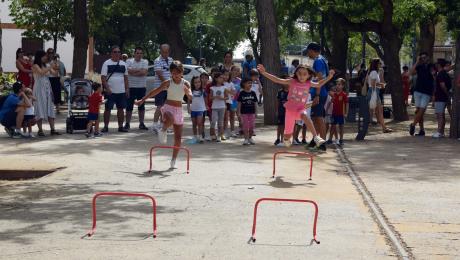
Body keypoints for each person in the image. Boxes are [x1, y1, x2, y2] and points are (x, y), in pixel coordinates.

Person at [257, 64, 334, 148]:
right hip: (290, 111)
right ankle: (286, 139)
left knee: (305, 116)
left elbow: (319, 84)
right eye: (299, 73)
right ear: (296, 73)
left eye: (304, 74)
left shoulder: (309, 83)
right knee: (288, 135)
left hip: (300, 109)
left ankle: (316, 137)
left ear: (309, 75)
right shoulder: (292, 81)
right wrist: (264, 73)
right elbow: (277, 80)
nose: (301, 76)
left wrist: (329, 77)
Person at [135, 61, 192, 168]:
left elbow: (190, 94)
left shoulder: (185, 83)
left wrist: (189, 94)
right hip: (168, 107)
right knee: (169, 119)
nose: (175, 75)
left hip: (179, 110)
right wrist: (142, 100)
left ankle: (173, 160)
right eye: (173, 73)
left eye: (177, 73)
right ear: (170, 72)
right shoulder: (167, 82)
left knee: (178, 138)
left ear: (181, 72)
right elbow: (154, 91)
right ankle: (163, 129)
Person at [304, 42, 329, 151]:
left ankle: (322, 143)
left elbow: (319, 79)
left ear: (312, 50)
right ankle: (316, 140)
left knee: (318, 118)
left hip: (319, 93)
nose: (307, 53)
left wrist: (317, 94)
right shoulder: (322, 59)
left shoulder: (318, 61)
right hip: (319, 92)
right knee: (315, 118)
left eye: (308, 51)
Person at [101, 45, 129, 133]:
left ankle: (120, 127)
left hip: (121, 91)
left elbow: (126, 78)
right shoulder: (106, 63)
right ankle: (105, 127)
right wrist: (107, 88)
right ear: (111, 53)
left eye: (118, 52)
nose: (117, 53)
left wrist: (127, 89)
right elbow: (103, 78)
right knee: (108, 109)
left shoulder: (123, 64)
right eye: (115, 52)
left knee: (121, 109)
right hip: (110, 91)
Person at [32, 50, 61, 136]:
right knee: (39, 107)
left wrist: (56, 66)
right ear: (39, 57)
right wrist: (50, 66)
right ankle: (40, 130)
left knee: (50, 107)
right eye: (44, 56)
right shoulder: (35, 65)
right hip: (39, 88)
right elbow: (41, 73)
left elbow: (55, 74)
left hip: (47, 88)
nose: (46, 57)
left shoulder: (47, 65)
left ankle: (53, 129)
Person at [409, 52, 435, 136]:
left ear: (428, 57)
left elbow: (435, 76)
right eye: (422, 58)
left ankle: (413, 125)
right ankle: (422, 130)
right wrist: (417, 61)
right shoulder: (419, 66)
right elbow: (411, 72)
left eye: (425, 57)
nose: (423, 59)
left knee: (421, 110)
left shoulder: (432, 66)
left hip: (427, 92)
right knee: (419, 111)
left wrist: (433, 73)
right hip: (417, 91)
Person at [125, 47, 149, 130]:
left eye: (140, 53)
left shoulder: (145, 61)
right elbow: (127, 71)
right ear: (134, 54)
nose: (139, 55)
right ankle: (127, 123)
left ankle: (141, 123)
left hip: (141, 87)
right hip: (131, 87)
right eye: (137, 53)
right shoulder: (129, 61)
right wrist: (139, 71)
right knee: (129, 106)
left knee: (141, 106)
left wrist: (133, 71)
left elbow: (144, 73)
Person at [367, 58, 393, 133]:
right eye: (380, 64)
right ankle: (384, 128)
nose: (381, 65)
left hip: (373, 92)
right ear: (376, 64)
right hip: (374, 92)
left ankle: (383, 127)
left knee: (377, 111)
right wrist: (382, 84)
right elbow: (373, 84)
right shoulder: (374, 72)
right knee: (379, 111)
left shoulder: (373, 72)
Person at [152, 44, 174, 132]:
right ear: (160, 51)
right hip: (160, 88)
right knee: (159, 107)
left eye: (167, 52)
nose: (165, 53)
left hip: (169, 88)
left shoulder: (171, 60)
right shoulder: (157, 60)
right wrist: (166, 84)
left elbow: (173, 72)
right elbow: (159, 74)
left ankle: (163, 125)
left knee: (166, 108)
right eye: (163, 52)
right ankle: (154, 125)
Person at [432, 59, 452, 138]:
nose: (435, 64)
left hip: (440, 97)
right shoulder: (443, 74)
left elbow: (442, 85)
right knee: (441, 115)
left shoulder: (441, 74)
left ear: (439, 65)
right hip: (442, 97)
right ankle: (441, 132)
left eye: (436, 63)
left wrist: (446, 93)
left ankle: (439, 131)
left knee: (440, 115)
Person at [237, 78, 258, 145]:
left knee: (251, 126)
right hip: (244, 112)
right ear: (244, 84)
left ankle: (250, 138)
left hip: (252, 112)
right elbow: (239, 103)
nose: (250, 84)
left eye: (251, 83)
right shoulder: (241, 93)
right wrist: (238, 112)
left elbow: (255, 103)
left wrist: (256, 112)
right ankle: (246, 139)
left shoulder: (253, 93)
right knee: (245, 126)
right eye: (248, 83)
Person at [210, 72, 229, 142]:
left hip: (222, 107)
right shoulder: (212, 88)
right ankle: (212, 134)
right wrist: (215, 97)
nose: (222, 79)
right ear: (216, 79)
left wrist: (222, 98)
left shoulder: (224, 87)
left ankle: (219, 135)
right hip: (214, 107)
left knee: (220, 122)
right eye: (220, 77)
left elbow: (227, 97)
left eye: (222, 78)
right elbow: (210, 98)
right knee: (213, 120)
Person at [187, 76, 207, 143]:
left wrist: (206, 106)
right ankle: (195, 136)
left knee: (199, 123)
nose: (197, 84)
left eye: (199, 82)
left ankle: (200, 136)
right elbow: (189, 100)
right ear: (193, 83)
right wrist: (188, 107)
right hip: (193, 110)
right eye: (195, 82)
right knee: (194, 124)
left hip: (201, 109)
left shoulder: (203, 91)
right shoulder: (191, 91)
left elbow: (205, 99)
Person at [330, 78, 348, 145]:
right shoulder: (334, 94)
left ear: (343, 86)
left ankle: (341, 139)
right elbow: (332, 102)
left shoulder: (344, 94)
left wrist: (346, 112)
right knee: (334, 126)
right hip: (334, 113)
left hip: (341, 113)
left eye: (339, 84)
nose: (337, 86)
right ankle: (334, 139)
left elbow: (347, 104)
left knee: (341, 126)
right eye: (337, 84)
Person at [223, 70, 237, 138]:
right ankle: (224, 132)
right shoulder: (220, 83)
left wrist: (227, 91)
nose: (226, 76)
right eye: (224, 75)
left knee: (230, 117)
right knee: (224, 118)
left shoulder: (230, 84)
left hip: (228, 102)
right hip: (221, 102)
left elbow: (234, 92)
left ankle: (232, 131)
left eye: (227, 75)